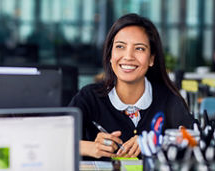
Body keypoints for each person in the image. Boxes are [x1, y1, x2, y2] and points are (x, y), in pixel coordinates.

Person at [69, 13, 195, 160]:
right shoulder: (89, 97)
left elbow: (197, 140)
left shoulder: (167, 99)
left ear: (151, 59)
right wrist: (89, 147)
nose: (128, 56)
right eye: (120, 46)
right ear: (110, 55)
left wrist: (158, 142)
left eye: (139, 48)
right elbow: (52, 140)